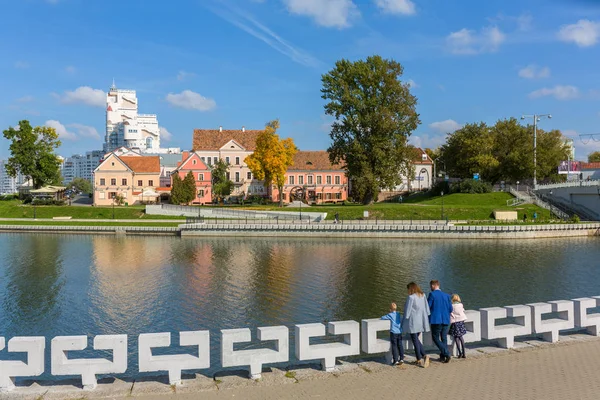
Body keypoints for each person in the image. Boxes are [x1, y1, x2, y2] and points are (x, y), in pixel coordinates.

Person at [402, 282, 431, 368]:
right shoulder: (423, 295)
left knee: (415, 340)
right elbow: (427, 308)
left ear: (411, 289)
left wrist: (404, 319)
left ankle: (421, 357)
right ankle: (421, 357)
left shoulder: (411, 297)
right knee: (416, 339)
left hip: (413, 322)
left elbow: (407, 311)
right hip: (421, 321)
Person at [427, 280, 453, 363]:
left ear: (434, 286)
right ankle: (443, 356)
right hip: (445, 319)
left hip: (436, 320)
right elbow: (450, 309)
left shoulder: (432, 294)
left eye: (430, 286)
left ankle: (446, 353)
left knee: (435, 338)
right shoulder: (446, 296)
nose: (430, 288)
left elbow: (428, 307)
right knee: (444, 338)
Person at [449, 294, 468, 359]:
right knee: (461, 337)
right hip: (461, 322)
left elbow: (450, 312)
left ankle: (460, 353)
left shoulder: (452, 305)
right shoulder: (461, 304)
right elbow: (463, 310)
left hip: (455, 322)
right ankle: (464, 353)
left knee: (456, 337)